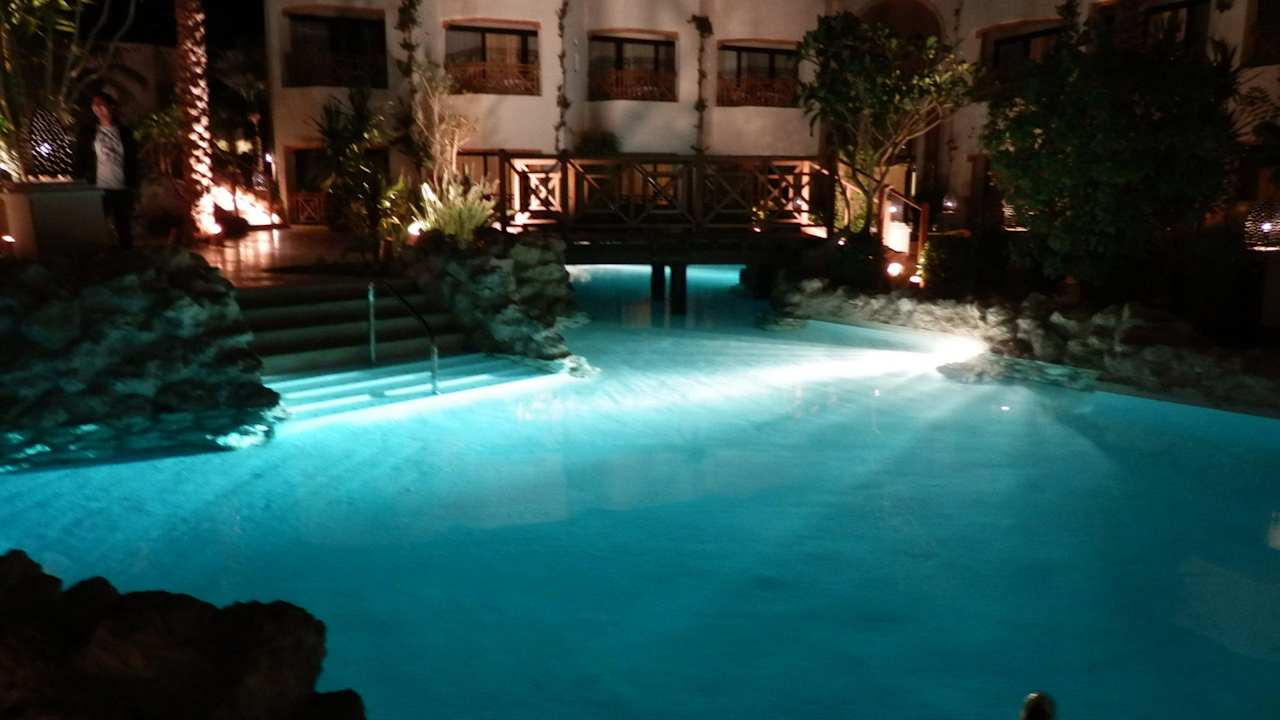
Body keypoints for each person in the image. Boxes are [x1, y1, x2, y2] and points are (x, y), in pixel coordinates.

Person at [75, 92, 139, 249]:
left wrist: (134, 183)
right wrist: (79, 180)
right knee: (96, 225)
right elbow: (81, 157)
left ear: (111, 106)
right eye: (94, 104)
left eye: (101, 104)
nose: (97, 108)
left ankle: (126, 255)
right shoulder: (89, 133)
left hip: (121, 186)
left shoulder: (124, 132)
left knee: (123, 226)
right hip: (97, 187)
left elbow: (132, 158)